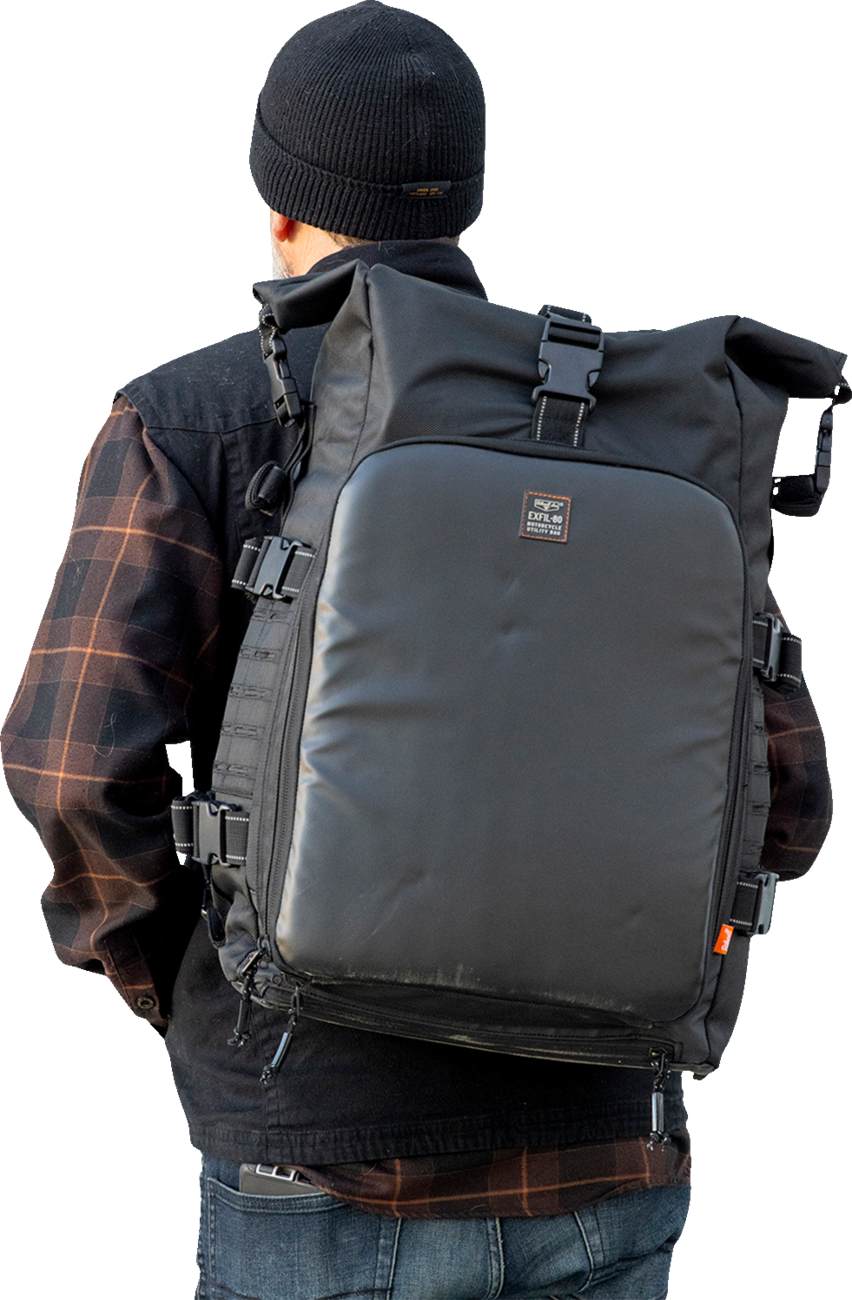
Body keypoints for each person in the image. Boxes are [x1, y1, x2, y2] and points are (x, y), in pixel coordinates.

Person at [0, 3, 833, 1297]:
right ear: (468, 206)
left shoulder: (190, 417)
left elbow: (72, 770)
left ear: (279, 206)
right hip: (607, 1158)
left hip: (315, 1161)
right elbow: (787, 797)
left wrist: (205, 976)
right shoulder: (637, 428)